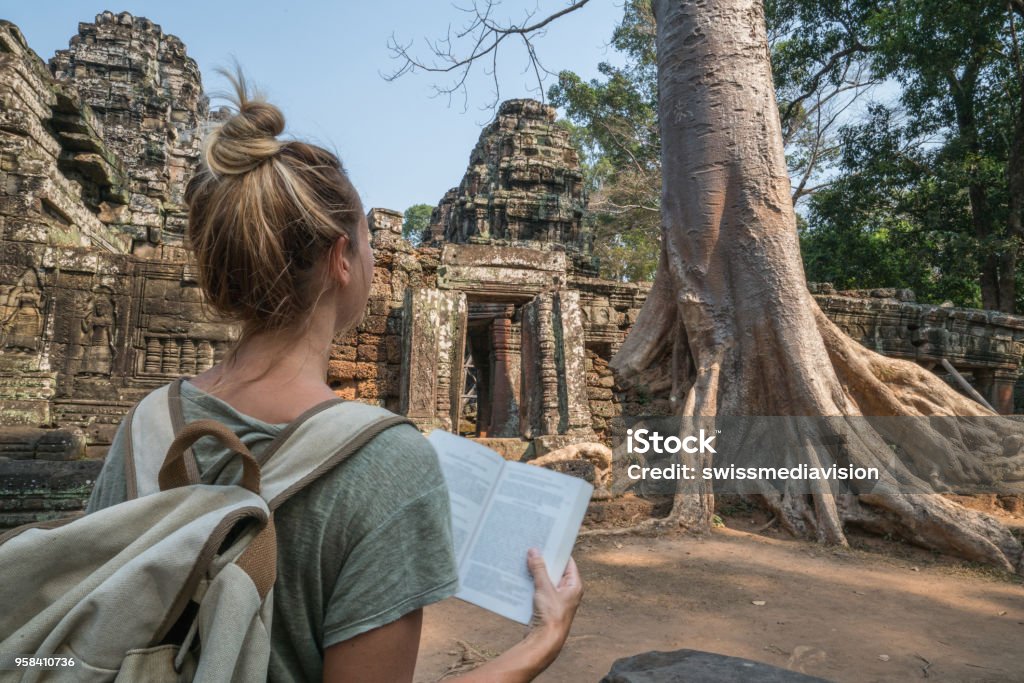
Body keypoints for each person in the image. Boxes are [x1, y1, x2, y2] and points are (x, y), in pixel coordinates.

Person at [85, 71, 583, 682]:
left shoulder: (146, 425)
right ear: (341, 259)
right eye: (368, 240)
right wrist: (541, 641)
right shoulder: (386, 463)